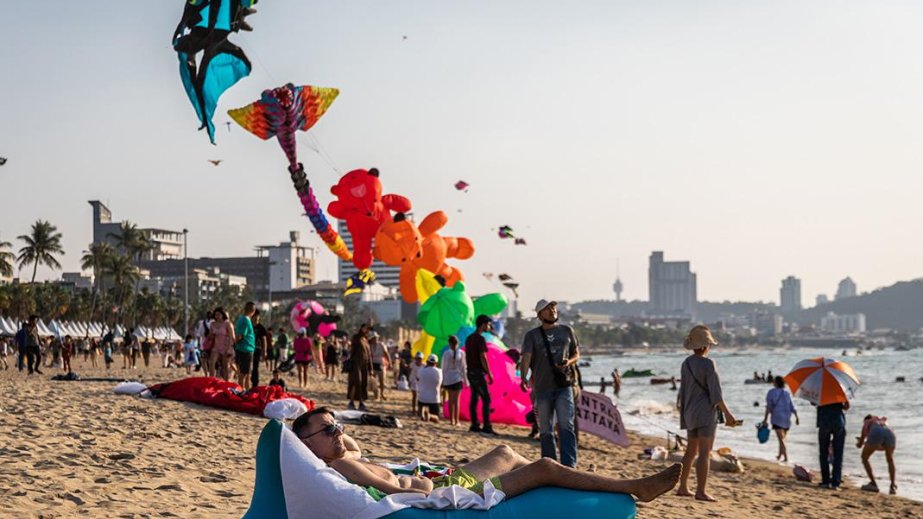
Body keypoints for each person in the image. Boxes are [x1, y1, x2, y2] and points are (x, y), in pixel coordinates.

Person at [294, 407, 681, 502]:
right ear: (308, 444)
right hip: (449, 494)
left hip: (447, 482)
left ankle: (580, 478)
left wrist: (331, 427)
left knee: (505, 450)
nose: (338, 433)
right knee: (542, 466)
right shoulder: (341, 465)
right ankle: (635, 487)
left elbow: (350, 445)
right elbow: (397, 494)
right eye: (328, 430)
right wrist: (434, 486)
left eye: (337, 426)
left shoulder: (340, 455)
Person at [675, 325, 742, 501]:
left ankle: (682, 487)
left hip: (690, 412)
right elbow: (716, 394)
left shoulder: (686, 363)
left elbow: (683, 390)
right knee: (705, 453)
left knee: (690, 452)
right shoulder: (708, 364)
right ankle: (701, 491)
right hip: (705, 414)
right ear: (706, 346)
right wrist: (728, 415)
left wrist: (682, 410)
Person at [520, 300, 580, 465]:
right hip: (542, 388)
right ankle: (549, 464)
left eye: (553, 307)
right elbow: (526, 357)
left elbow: (576, 353)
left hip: (564, 386)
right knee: (545, 430)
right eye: (547, 308)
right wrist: (523, 377)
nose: (552, 310)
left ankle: (569, 465)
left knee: (566, 426)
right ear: (539, 315)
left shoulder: (567, 331)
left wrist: (568, 362)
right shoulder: (532, 335)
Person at [467, 315, 496, 435]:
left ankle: (474, 424)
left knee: (474, 398)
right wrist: (489, 373)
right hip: (478, 373)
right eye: (488, 324)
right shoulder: (480, 339)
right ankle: (487, 426)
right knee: (486, 399)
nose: (489, 327)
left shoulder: (469, 338)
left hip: (470, 372)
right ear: (483, 324)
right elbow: (483, 356)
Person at [762, 376, 799, 462]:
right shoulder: (786, 393)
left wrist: (765, 419)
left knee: (781, 439)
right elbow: (792, 406)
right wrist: (797, 417)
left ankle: (786, 457)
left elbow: (769, 407)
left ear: (775, 383)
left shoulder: (771, 392)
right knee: (783, 438)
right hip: (787, 418)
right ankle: (779, 456)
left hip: (777, 417)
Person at [857, 415, 897, 494]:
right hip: (890, 433)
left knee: (864, 458)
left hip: (876, 432)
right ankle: (892, 486)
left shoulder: (867, 422)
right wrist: (868, 443)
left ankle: (873, 483)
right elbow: (881, 446)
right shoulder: (882, 422)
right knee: (890, 459)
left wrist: (860, 443)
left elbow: (861, 443)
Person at [817, 399, 850, 490]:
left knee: (823, 452)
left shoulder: (820, 391)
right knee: (838, 453)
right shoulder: (839, 392)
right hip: (838, 421)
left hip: (824, 421)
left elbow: (813, 402)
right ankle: (835, 482)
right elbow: (846, 407)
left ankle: (825, 481)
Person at [441, 335, 467, 426]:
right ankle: (457, 420)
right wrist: (466, 381)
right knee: (457, 401)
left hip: (448, 379)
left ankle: (451, 420)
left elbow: (443, 368)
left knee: (450, 400)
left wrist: (443, 380)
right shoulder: (462, 353)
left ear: (449, 343)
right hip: (458, 378)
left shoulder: (446, 353)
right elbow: (464, 368)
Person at [347, 324, 373, 411]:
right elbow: (352, 351)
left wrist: (371, 368)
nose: (367, 330)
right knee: (356, 382)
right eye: (366, 328)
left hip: (364, 364)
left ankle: (361, 403)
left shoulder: (365, 340)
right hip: (356, 363)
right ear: (362, 328)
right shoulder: (356, 338)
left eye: (368, 329)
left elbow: (369, 355)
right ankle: (352, 402)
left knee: (363, 383)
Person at [234, 302, 257, 390]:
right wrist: (234, 343)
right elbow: (240, 336)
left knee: (246, 373)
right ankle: (241, 390)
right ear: (253, 311)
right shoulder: (245, 321)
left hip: (243, 348)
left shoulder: (242, 319)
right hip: (245, 349)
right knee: (243, 373)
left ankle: (246, 390)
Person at [209, 308, 235, 381]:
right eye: (216, 315)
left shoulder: (227, 324)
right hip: (216, 346)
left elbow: (232, 337)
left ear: (223, 315)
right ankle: (211, 380)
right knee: (211, 363)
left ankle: (227, 382)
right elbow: (210, 336)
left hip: (225, 347)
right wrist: (211, 335)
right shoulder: (212, 324)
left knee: (225, 366)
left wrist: (229, 348)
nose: (217, 316)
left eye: (219, 314)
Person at [416, 354, 443, 423]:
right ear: (436, 363)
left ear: (427, 362)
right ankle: (430, 416)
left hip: (422, 398)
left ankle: (422, 414)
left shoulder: (421, 370)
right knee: (437, 419)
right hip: (434, 399)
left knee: (421, 402)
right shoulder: (439, 372)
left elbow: (417, 379)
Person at [369, 332, 390, 401]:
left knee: (382, 380)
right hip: (373, 363)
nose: (375, 339)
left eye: (376, 338)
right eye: (373, 338)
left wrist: (389, 362)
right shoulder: (370, 346)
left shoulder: (381, 345)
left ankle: (382, 393)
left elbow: (386, 353)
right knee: (374, 381)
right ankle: (376, 395)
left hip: (381, 363)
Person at [252, 310, 268, 387]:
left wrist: (264, 351)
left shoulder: (261, 328)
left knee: (255, 366)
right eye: (254, 318)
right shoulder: (249, 325)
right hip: (248, 348)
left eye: (257, 319)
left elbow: (264, 340)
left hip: (257, 349)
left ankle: (255, 383)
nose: (256, 320)